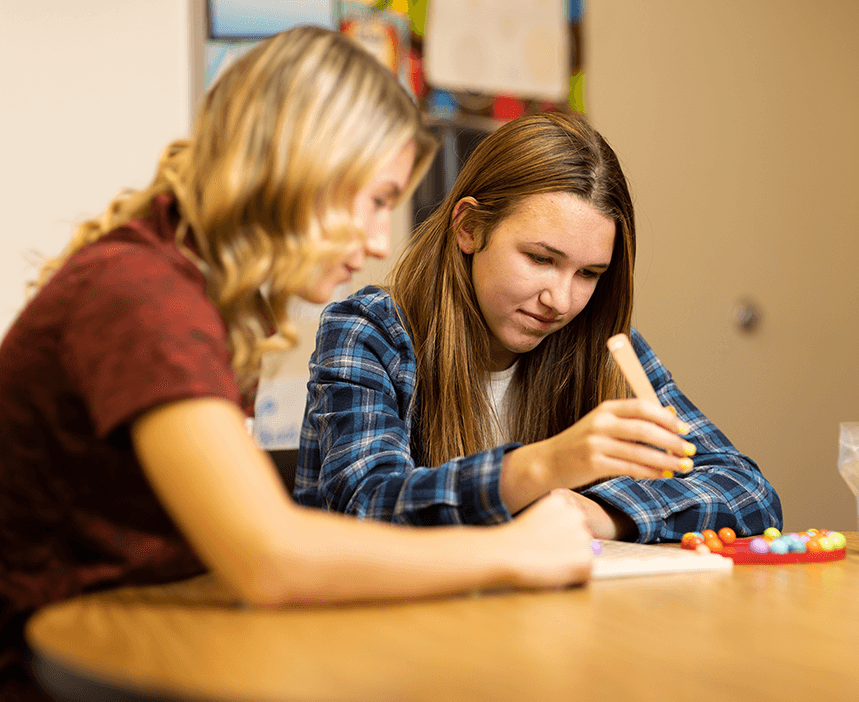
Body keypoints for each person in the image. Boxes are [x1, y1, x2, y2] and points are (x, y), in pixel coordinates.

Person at [0, 27, 594, 699]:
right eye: (375, 199)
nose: (375, 242)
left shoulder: (182, 286)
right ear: (297, 165)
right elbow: (270, 558)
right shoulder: (142, 297)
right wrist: (514, 551)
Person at [296, 111, 783, 543]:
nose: (561, 301)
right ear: (468, 227)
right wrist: (548, 465)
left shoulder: (606, 346)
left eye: (589, 273)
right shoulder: (370, 332)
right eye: (540, 259)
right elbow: (365, 507)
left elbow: (748, 490)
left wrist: (598, 513)